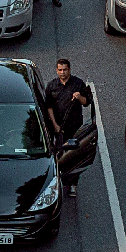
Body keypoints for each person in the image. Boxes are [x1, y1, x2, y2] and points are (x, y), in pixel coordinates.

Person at [45, 59, 91, 195]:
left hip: (74, 126)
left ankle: (72, 183)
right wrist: (54, 125)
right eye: (60, 70)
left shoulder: (78, 84)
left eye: (65, 69)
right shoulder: (51, 86)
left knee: (74, 155)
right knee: (58, 153)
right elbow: (49, 107)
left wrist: (79, 97)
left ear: (69, 70)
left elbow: (87, 102)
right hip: (58, 128)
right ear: (56, 70)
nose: (62, 72)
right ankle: (58, 179)